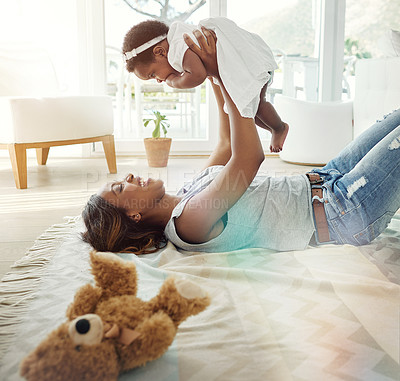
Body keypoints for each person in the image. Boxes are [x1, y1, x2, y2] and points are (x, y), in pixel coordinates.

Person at [82, 28, 400, 255]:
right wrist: (227, 74)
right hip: (344, 210)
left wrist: (214, 74)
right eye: (122, 187)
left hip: (328, 177)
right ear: (134, 215)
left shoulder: (186, 195)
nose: (129, 177)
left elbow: (224, 145)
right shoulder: (187, 224)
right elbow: (247, 158)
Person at [122, 17, 288, 152]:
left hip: (251, 64)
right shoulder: (180, 39)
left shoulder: (178, 48)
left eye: (152, 74)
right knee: (249, 110)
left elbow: (198, 75)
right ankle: (275, 128)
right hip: (251, 60)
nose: (158, 80)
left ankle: (279, 128)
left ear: (160, 52)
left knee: (257, 107)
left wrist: (174, 82)